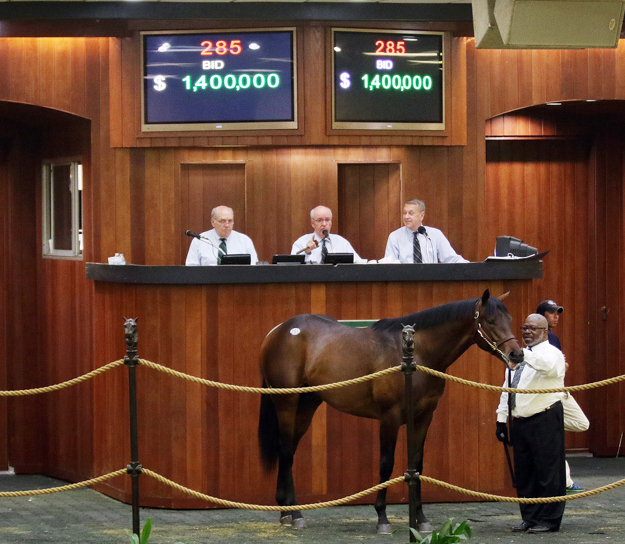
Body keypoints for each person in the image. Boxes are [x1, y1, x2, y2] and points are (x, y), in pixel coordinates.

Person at [495, 313, 566, 533]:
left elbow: (548, 368)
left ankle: (550, 519)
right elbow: (508, 387)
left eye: (533, 328)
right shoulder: (519, 356)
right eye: (524, 327)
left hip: (545, 417)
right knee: (525, 473)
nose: (527, 331)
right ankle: (530, 517)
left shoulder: (551, 353)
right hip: (521, 421)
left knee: (548, 472)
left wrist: (523, 355)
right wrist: (501, 420)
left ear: (545, 332)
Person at [536, 299, 590, 492]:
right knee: (555, 438)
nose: (556, 316)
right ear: (542, 316)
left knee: (581, 423)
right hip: (549, 393)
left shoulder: (553, 338)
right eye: (552, 313)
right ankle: (565, 481)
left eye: (557, 313)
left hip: (558, 390)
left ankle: (547, 421)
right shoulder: (538, 338)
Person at [383, 199, 468, 263]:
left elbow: (451, 259)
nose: (406, 217)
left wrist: (473, 267)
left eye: (411, 213)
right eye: (404, 213)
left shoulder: (434, 235)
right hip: (404, 283)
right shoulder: (395, 236)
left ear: (421, 215)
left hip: (431, 284)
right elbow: (389, 264)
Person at [185, 205, 258, 266]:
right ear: (213, 222)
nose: (227, 225)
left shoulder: (244, 241)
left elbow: (254, 268)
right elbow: (191, 269)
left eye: (230, 221)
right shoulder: (200, 241)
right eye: (222, 221)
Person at [291, 205, 362, 263]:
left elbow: (358, 262)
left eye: (327, 220)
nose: (324, 224)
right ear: (312, 223)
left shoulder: (342, 242)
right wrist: (307, 252)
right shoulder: (301, 242)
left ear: (331, 222)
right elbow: (292, 266)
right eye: (319, 220)